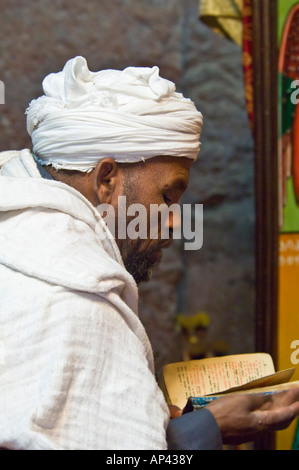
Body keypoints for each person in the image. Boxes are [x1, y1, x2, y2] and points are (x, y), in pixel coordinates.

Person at [0, 56, 299, 451]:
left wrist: (170, 426)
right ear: (106, 180)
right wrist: (203, 433)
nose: (176, 221)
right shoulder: (79, 306)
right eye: (168, 196)